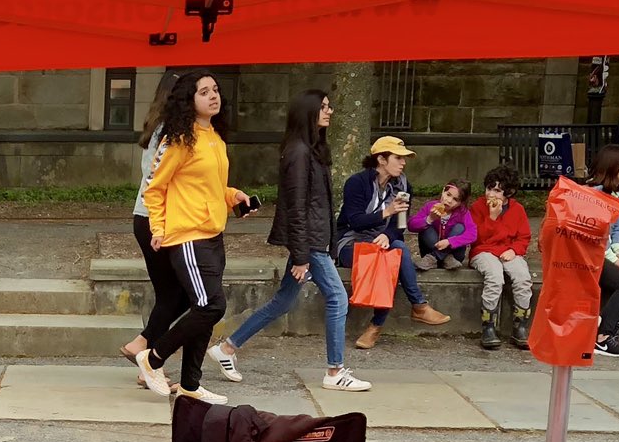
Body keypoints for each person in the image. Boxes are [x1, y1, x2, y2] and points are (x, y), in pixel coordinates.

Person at [208, 91, 370, 392]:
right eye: (323, 107)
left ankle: (227, 348)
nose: (330, 111)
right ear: (308, 111)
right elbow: (295, 206)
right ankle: (335, 371)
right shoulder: (298, 152)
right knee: (337, 298)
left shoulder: (311, 149)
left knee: (282, 302)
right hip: (309, 243)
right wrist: (302, 255)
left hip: (312, 241)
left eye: (330, 106)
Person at [133, 72, 257, 403]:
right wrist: (159, 228)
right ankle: (152, 358)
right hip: (188, 237)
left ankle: (190, 384)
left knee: (205, 309)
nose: (213, 96)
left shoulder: (214, 137)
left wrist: (232, 197)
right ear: (189, 100)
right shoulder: (178, 140)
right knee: (211, 306)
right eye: (204, 92)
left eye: (215, 90)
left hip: (213, 234)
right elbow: (154, 189)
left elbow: (210, 186)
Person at [336, 137, 450, 351]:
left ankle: (413, 309)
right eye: (398, 158)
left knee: (397, 250)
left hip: (382, 241)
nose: (403, 163)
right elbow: (355, 221)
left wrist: (388, 235)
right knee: (390, 260)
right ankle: (403, 313)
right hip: (351, 241)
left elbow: (400, 224)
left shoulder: (403, 186)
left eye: (404, 158)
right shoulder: (357, 183)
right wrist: (386, 212)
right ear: (381, 159)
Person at [121, 79, 174, 368]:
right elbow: (158, 180)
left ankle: (148, 362)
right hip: (155, 219)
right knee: (177, 295)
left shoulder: (158, 126)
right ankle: (144, 347)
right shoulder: (168, 131)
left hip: (148, 217)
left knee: (170, 296)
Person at [468, 165, 533, 351]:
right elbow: (476, 238)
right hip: (483, 250)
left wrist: (514, 250)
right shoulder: (478, 207)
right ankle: (488, 326)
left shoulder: (517, 209)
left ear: (508, 193)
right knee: (495, 277)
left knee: (522, 277)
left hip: (508, 251)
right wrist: (492, 218)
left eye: (497, 190)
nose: (491, 194)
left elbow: (524, 237)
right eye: (489, 188)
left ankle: (520, 326)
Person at [588, 145, 619, 358]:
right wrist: (612, 257)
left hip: (607, 252)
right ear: (614, 167)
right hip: (591, 255)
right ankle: (603, 337)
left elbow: (618, 228)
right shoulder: (595, 195)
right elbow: (595, 235)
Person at [409, 181, 477, 270]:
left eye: (455, 199)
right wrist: (429, 219)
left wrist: (450, 242)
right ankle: (444, 257)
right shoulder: (430, 206)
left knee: (459, 228)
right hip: (429, 254)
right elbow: (411, 225)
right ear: (443, 191)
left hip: (454, 258)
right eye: (448, 195)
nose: (449, 200)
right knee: (426, 227)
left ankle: (437, 256)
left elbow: (472, 234)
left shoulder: (463, 213)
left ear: (461, 203)